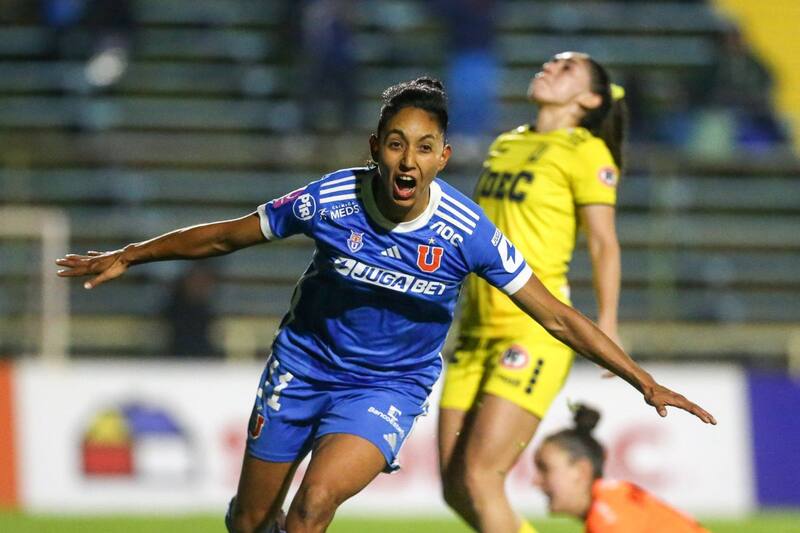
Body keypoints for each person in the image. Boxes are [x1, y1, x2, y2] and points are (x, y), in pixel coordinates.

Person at [56, 77, 714, 533]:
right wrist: (132, 253)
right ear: (376, 149)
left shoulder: (465, 231)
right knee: (251, 520)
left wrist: (641, 377)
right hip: (303, 365)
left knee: (314, 504)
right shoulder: (331, 200)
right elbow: (230, 234)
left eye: (424, 148)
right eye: (396, 143)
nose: (408, 159)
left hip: (387, 385)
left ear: (442, 158)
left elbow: (555, 313)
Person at [438, 51, 629, 533]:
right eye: (548, 62)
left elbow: (604, 243)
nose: (548, 67)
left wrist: (607, 322)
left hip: (531, 329)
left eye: (567, 69)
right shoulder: (507, 143)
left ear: (589, 98)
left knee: (482, 476)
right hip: (475, 330)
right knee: (455, 486)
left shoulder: (588, 153)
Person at [534, 403, 710, 533]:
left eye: (545, 469)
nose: (536, 481)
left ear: (581, 470)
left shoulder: (608, 519)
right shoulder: (613, 499)